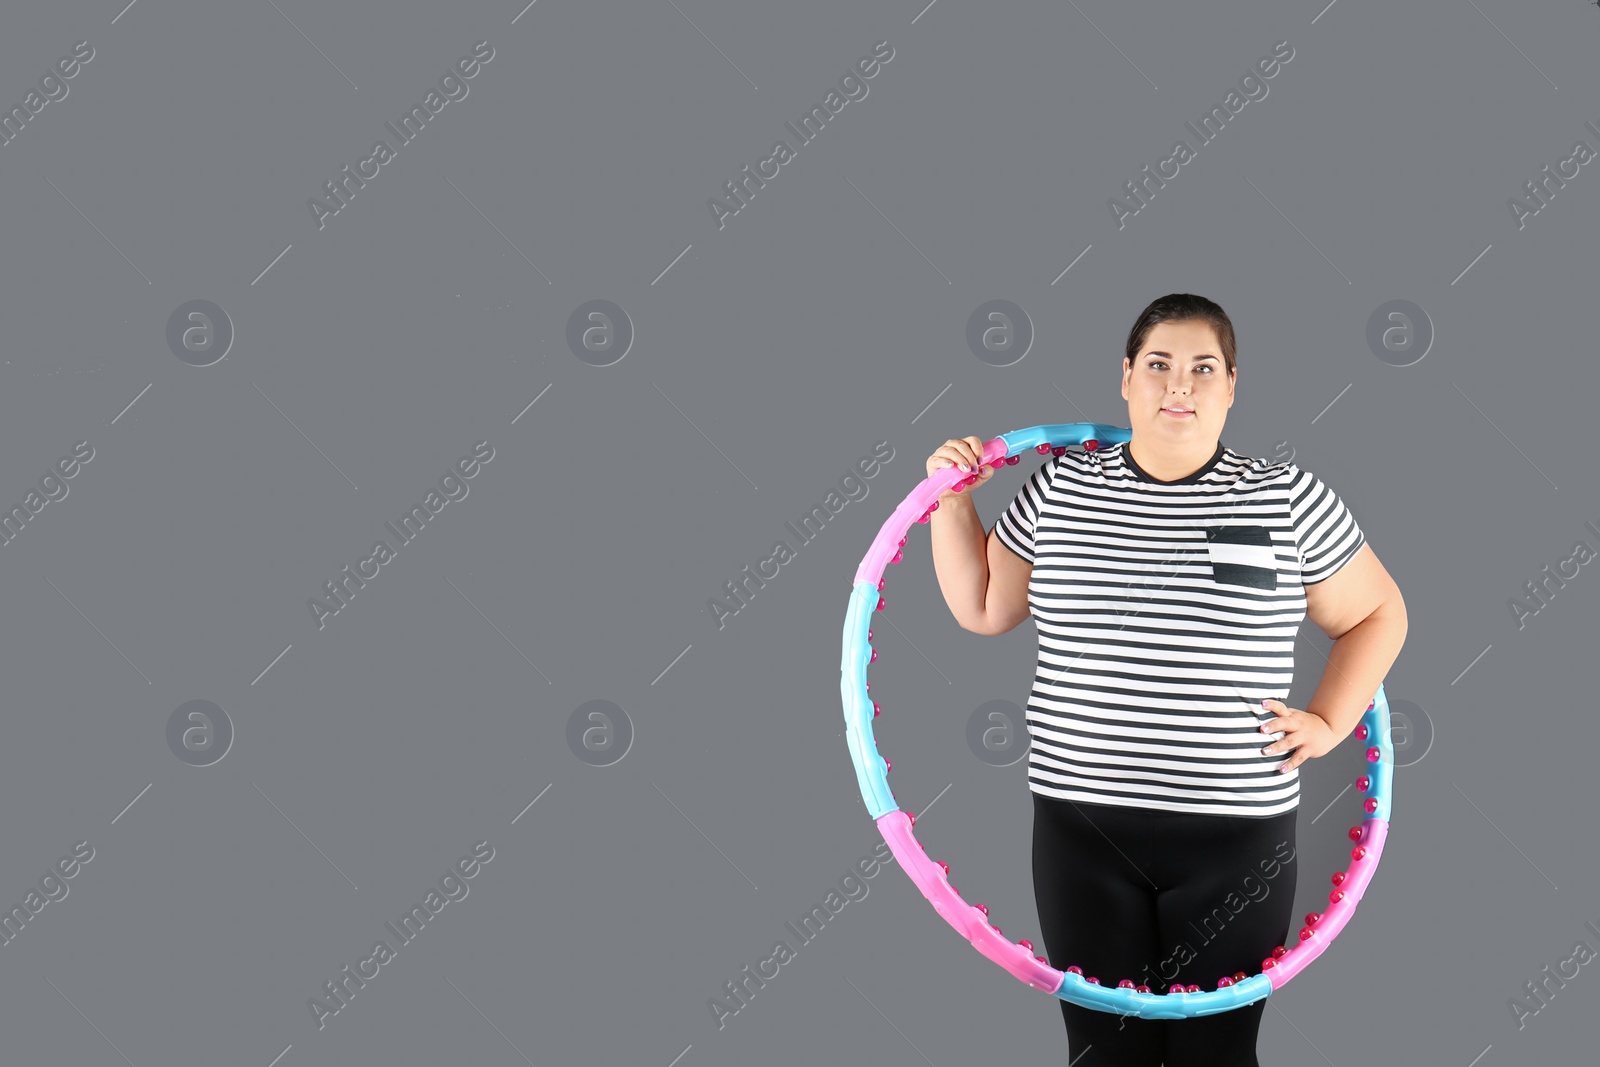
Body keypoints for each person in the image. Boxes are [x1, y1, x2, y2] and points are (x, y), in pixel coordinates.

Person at [924, 293, 1408, 1066]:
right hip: (1083, 830)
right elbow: (983, 605)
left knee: (1215, 1054)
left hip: (1237, 839)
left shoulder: (1285, 495)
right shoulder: (1059, 490)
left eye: (1202, 367)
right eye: (1159, 364)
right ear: (1125, 378)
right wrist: (951, 500)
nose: (1178, 383)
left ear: (1231, 386)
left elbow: (1380, 612)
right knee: (1102, 1053)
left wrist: (1328, 721)